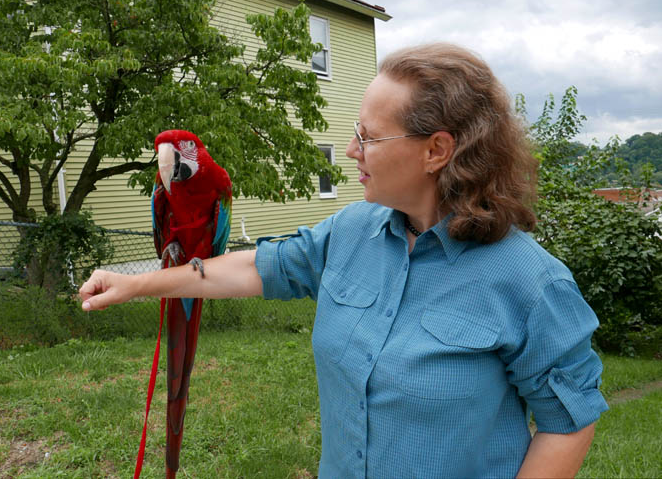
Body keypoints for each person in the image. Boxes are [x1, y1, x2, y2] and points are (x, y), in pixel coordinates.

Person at [80, 43, 608, 478]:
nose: (351, 151)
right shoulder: (352, 231)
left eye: (368, 137)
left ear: (436, 151)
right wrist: (138, 284)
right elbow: (256, 267)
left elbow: (568, 422)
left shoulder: (530, 282)